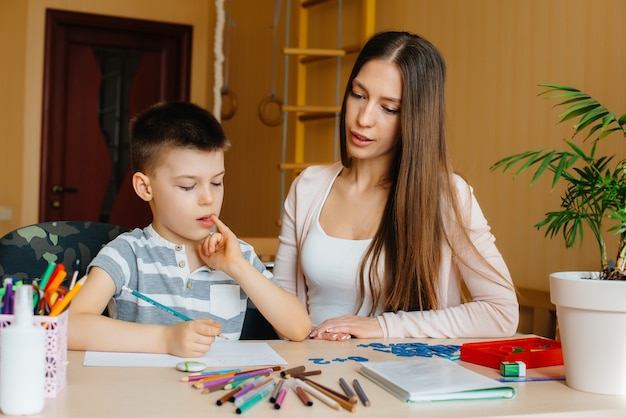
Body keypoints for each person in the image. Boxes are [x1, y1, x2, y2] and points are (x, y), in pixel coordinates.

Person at [272, 31, 518, 341]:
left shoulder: (446, 196)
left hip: (403, 380)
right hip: (313, 373)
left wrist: (382, 326)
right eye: (358, 95)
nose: (363, 119)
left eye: (388, 109)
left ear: (416, 118)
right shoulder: (308, 186)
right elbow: (281, 309)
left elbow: (501, 311)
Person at [68, 102, 311, 357]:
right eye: (187, 186)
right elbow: (71, 326)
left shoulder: (238, 256)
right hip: (141, 395)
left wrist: (238, 268)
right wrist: (165, 339)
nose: (208, 198)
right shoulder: (128, 253)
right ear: (145, 188)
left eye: (217, 182)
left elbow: (298, 328)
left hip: (214, 393)